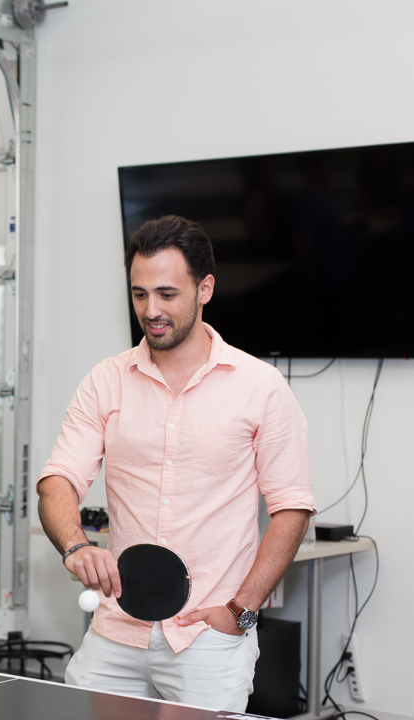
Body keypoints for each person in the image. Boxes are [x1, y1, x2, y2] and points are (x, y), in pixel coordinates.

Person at [37, 215, 316, 712]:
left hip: (208, 637)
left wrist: (242, 611)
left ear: (205, 288)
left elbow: (291, 508)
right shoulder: (105, 380)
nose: (152, 310)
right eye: (140, 294)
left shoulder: (261, 386)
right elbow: (58, 480)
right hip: (116, 630)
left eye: (167, 294)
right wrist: (75, 546)